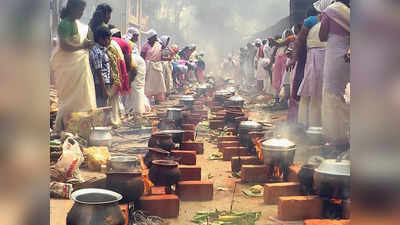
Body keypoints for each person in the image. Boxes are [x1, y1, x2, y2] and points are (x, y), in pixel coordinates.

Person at [50, 0, 96, 133]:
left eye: (82, 10)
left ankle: (81, 129)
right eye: (79, 10)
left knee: (82, 99)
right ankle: (63, 129)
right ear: (72, 8)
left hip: (79, 66)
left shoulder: (79, 25)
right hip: (68, 68)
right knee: (69, 101)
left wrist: (86, 45)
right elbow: (64, 46)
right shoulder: (64, 24)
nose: (81, 13)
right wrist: (83, 46)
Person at [289, 0, 334, 131]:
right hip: (314, 57)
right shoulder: (310, 21)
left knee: (327, 91)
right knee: (313, 90)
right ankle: (309, 124)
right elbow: (300, 40)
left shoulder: (334, 20)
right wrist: (293, 58)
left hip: (329, 56)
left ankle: (326, 125)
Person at [319, 0, 350, 151]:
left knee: (332, 95)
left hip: (335, 55)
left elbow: (322, 36)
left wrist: (322, 19)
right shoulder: (350, 12)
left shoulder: (330, 11)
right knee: (347, 95)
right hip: (349, 56)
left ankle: (338, 139)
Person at [89, 26, 122, 127]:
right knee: (101, 106)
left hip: (105, 82)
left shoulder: (104, 50)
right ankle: (99, 127)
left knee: (105, 105)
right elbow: (99, 71)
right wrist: (104, 89)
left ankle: (102, 126)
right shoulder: (97, 51)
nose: (109, 41)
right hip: (100, 83)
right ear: (100, 39)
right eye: (107, 38)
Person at [141, 29, 166, 104]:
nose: (156, 38)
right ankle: (147, 102)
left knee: (159, 84)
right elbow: (142, 57)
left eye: (156, 37)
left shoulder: (158, 45)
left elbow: (161, 56)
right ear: (150, 38)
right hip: (149, 67)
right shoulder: (145, 46)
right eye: (154, 37)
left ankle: (158, 100)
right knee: (149, 85)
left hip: (157, 67)